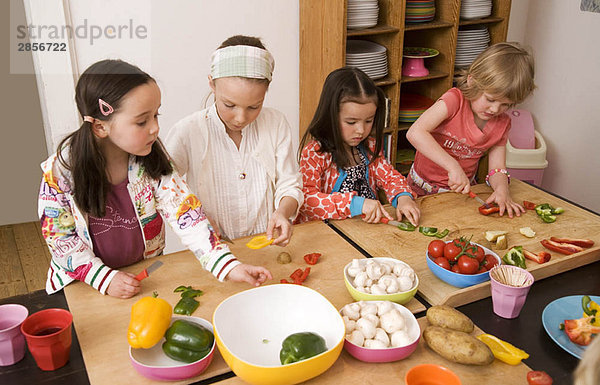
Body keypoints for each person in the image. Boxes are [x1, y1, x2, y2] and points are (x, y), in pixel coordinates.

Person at [39, 59, 272, 299]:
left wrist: (228, 266)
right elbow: (60, 239)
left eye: (156, 115)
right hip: (82, 283)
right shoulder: (61, 172)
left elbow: (186, 215)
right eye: (142, 121)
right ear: (100, 127)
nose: (155, 128)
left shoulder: (151, 160)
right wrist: (104, 279)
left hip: (140, 277)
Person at [165, 35, 302, 246]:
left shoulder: (275, 123)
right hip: (213, 252)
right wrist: (196, 218)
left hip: (265, 246)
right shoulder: (188, 131)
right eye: (229, 105)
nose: (240, 118)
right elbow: (164, 189)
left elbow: (289, 183)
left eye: (253, 107)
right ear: (212, 84)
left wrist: (283, 212)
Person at [406, 42, 536, 218]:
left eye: (505, 104)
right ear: (472, 80)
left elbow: (497, 168)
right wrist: (452, 166)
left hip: (460, 195)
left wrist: (502, 189)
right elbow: (415, 133)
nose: (495, 109)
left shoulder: (502, 124)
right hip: (419, 190)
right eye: (490, 99)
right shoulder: (454, 101)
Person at [296, 67, 420, 225]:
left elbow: (389, 177)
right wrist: (354, 204)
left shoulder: (370, 146)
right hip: (329, 234)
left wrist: (403, 197)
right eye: (351, 122)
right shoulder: (314, 154)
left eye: (369, 120)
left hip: (365, 230)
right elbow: (306, 200)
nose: (361, 130)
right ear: (331, 115)